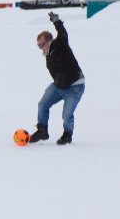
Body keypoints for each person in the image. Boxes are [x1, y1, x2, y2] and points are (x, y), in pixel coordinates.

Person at [29, 12, 85, 145]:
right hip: (59, 86)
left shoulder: (60, 45)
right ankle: (42, 130)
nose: (40, 48)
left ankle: (67, 135)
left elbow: (63, 34)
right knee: (43, 104)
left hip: (75, 86)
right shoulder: (48, 55)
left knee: (66, 115)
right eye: (38, 46)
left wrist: (57, 22)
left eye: (42, 45)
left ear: (49, 41)